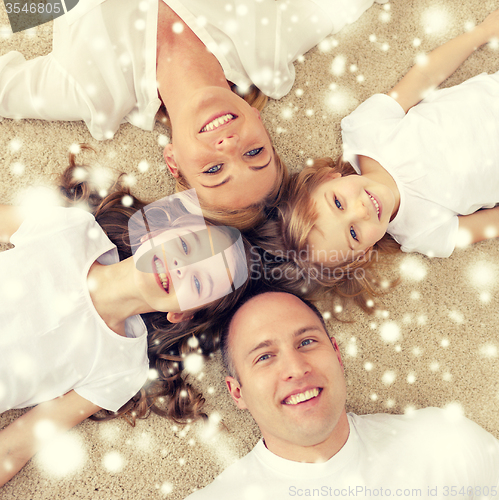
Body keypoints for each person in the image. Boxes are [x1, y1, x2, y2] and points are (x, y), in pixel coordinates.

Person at [0, 148, 254, 487]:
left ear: (182, 314)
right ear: (156, 232)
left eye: (197, 281)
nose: (182, 268)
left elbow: (17, 445)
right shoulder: (74, 230)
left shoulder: (122, 368)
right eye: (188, 247)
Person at [0, 0, 382, 219]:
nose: (229, 146)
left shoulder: (94, 95)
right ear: (261, 125)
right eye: (254, 153)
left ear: (173, 161)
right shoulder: (270, 49)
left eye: (214, 169)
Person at [186, 290, 499, 499]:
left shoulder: (443, 443)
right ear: (237, 392)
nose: (296, 368)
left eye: (307, 342)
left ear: (337, 354)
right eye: (264, 357)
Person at [275, 9, 499, 301]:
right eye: (354, 234)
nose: (361, 211)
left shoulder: (365, 133)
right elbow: (490, 223)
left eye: (338, 202)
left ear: (327, 177)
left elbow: (425, 76)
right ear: (365, 253)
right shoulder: (422, 233)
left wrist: (481, 33)